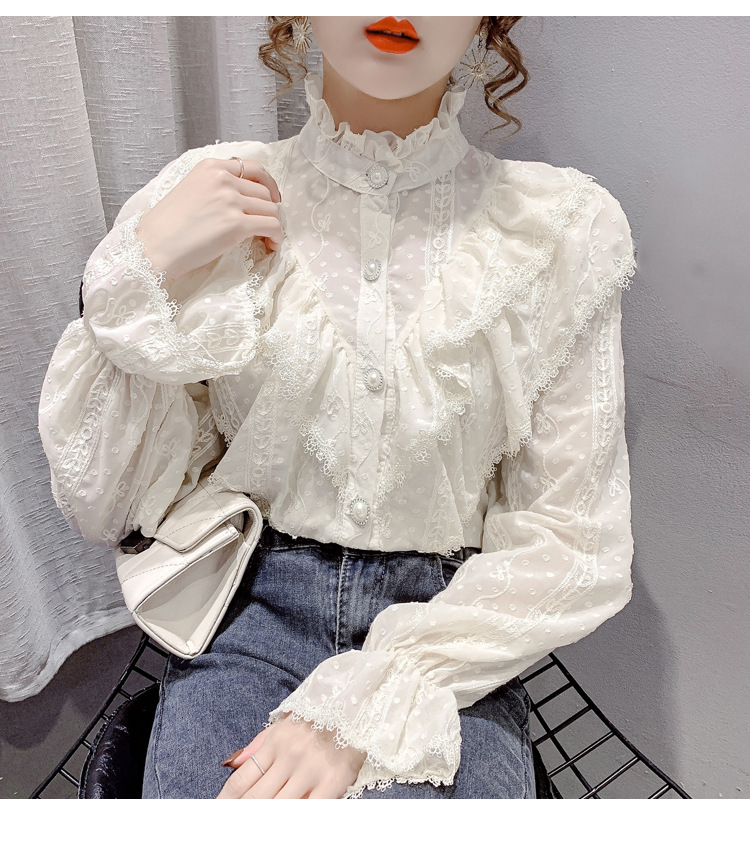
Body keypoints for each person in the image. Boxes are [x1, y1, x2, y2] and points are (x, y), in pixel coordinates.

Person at [37, 16, 637, 799]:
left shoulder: (561, 228)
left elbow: (572, 539)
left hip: (449, 643)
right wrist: (136, 275)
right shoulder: (211, 193)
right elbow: (107, 503)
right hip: (246, 618)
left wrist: (384, 691)